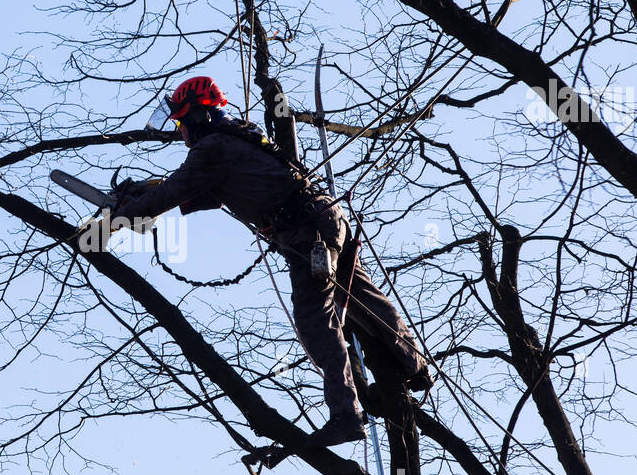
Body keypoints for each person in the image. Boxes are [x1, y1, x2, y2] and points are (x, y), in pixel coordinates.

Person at [111, 75, 431, 449]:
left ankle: (346, 415)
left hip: (305, 233)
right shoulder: (241, 135)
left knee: (316, 321)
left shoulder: (212, 148)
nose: (181, 133)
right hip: (326, 218)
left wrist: (124, 214)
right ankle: (415, 365)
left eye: (181, 123)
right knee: (363, 298)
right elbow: (202, 192)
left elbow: (175, 190)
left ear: (196, 117)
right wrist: (143, 195)